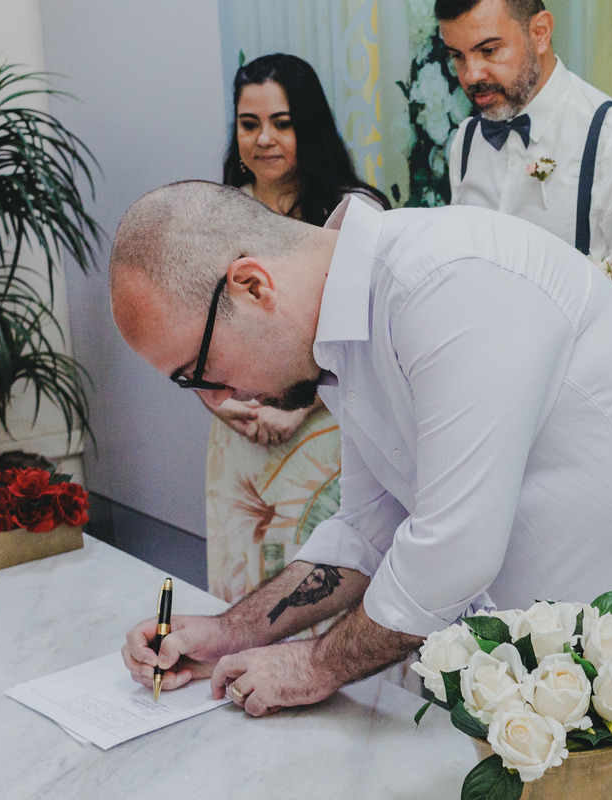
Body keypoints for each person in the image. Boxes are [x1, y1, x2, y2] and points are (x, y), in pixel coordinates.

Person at [110, 181, 612, 799]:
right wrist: (230, 631)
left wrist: (315, 665)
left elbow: (454, 549)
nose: (217, 399)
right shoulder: (343, 331)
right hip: (568, 649)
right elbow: (371, 528)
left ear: (254, 286)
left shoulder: (448, 282)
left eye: (199, 372)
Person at [205, 53, 389, 602]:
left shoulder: (352, 214)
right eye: (249, 123)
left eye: (281, 123)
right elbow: (194, 326)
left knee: (324, 582)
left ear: (309, 126)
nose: (263, 139)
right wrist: (214, 396)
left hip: (328, 430)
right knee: (243, 588)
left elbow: (370, 336)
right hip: (238, 435)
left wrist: (296, 407)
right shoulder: (213, 215)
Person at [439, 0, 612, 281]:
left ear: (540, 33)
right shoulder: (467, 138)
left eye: (489, 50)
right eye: (457, 56)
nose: (471, 75)